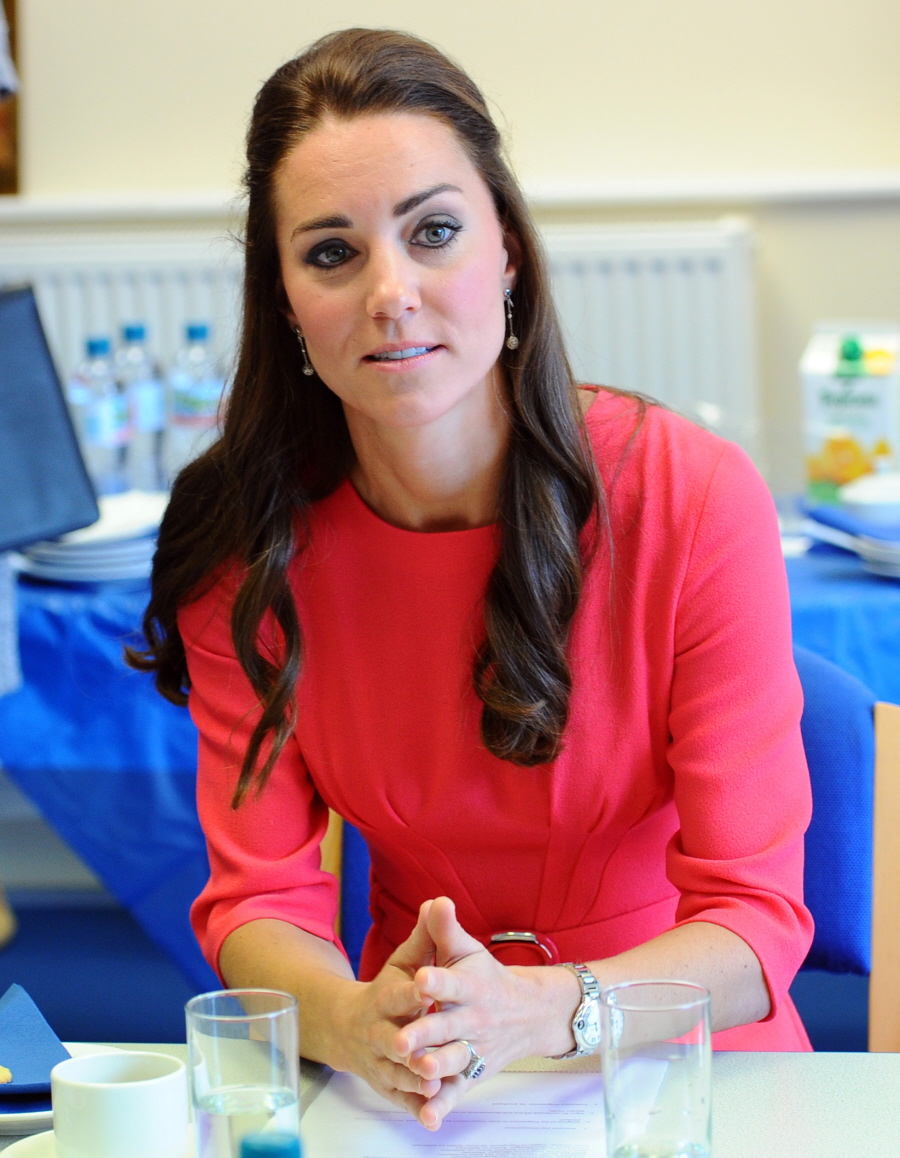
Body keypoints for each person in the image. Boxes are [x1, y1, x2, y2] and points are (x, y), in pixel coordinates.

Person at [129, 28, 813, 1131]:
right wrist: (348, 1019)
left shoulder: (692, 497)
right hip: (413, 1068)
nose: (391, 293)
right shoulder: (242, 538)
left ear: (509, 255)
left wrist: (544, 1011)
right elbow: (258, 898)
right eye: (332, 253)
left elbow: (757, 922)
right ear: (287, 301)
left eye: (434, 232)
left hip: (682, 1058)